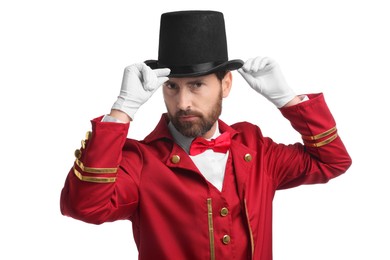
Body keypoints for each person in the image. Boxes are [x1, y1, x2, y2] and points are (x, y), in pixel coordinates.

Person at [60, 10, 352, 260]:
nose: (183, 102)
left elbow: (332, 161)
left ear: (225, 84)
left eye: (197, 85)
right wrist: (121, 111)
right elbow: (86, 207)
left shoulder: (257, 149)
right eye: (172, 87)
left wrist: (287, 99)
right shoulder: (140, 162)